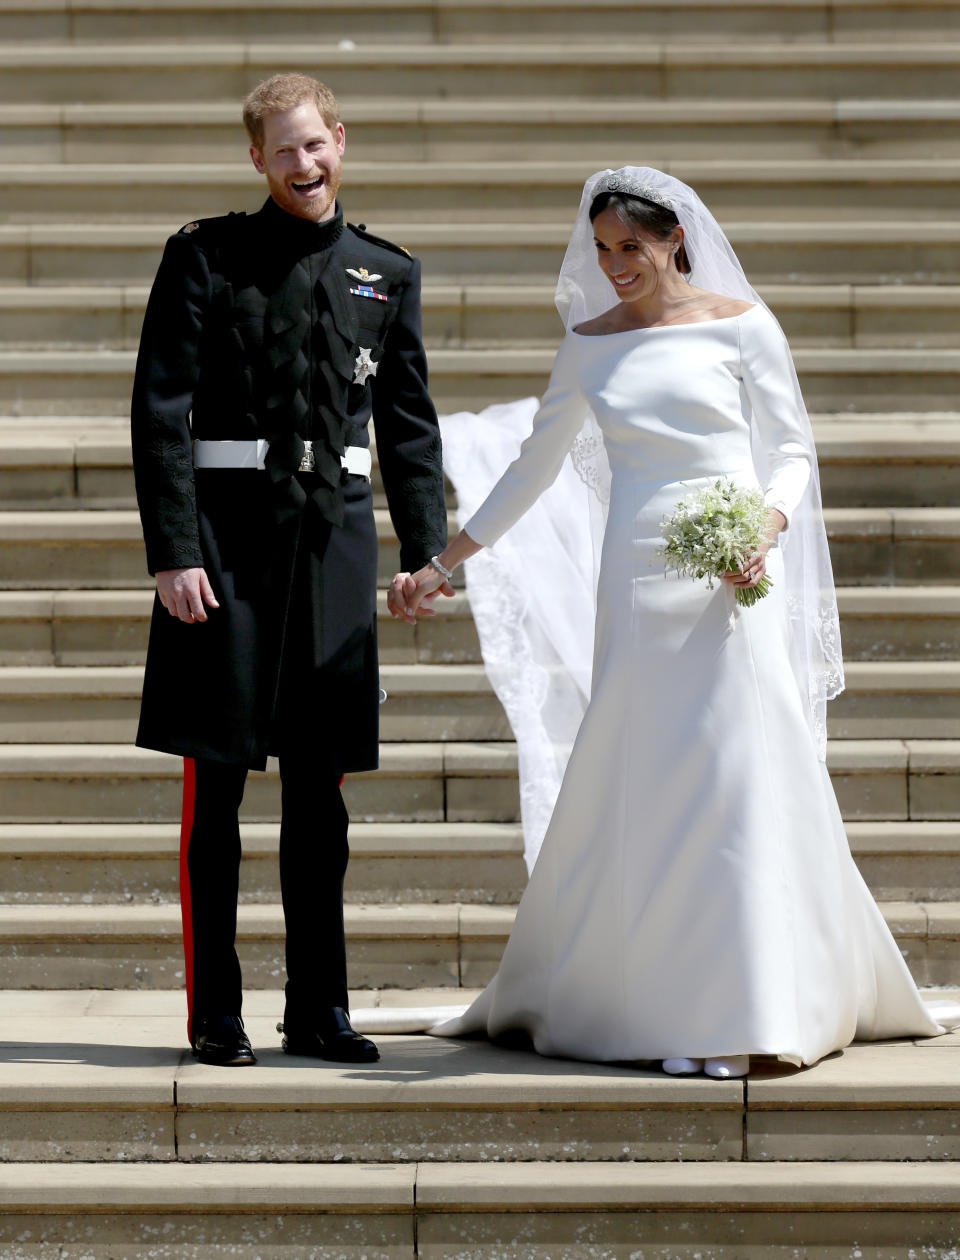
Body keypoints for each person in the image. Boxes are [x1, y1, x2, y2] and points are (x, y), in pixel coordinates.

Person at [391, 167, 960, 1077]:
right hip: (636, 578)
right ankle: (654, 998)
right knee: (648, 771)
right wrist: (443, 563)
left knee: (738, 771)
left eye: (632, 248)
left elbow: (791, 451)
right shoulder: (589, 345)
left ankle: (756, 1005)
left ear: (674, 241)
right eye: (604, 248)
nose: (615, 265)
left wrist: (764, 530)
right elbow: (534, 470)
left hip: (730, 577)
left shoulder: (743, 325)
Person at [131, 72, 448, 1066]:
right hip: (225, 546)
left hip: (335, 547)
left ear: (341, 142)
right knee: (215, 790)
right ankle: (215, 1013)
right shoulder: (205, 256)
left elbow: (407, 428)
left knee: (321, 796)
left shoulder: (385, 274)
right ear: (256, 158)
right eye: (282, 150)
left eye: (316, 145)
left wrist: (426, 549)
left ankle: (320, 1008)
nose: (303, 165)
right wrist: (174, 551)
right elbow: (160, 409)